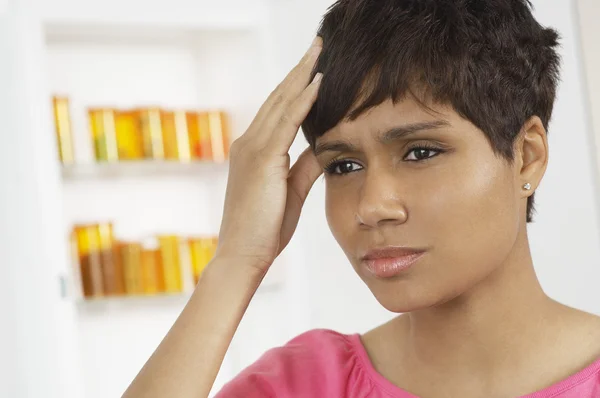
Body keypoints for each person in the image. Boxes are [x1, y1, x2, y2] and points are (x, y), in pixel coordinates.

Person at [123, 0, 600, 397]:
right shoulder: (303, 386)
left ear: (527, 157)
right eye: (343, 165)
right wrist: (236, 260)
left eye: (420, 152)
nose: (371, 206)